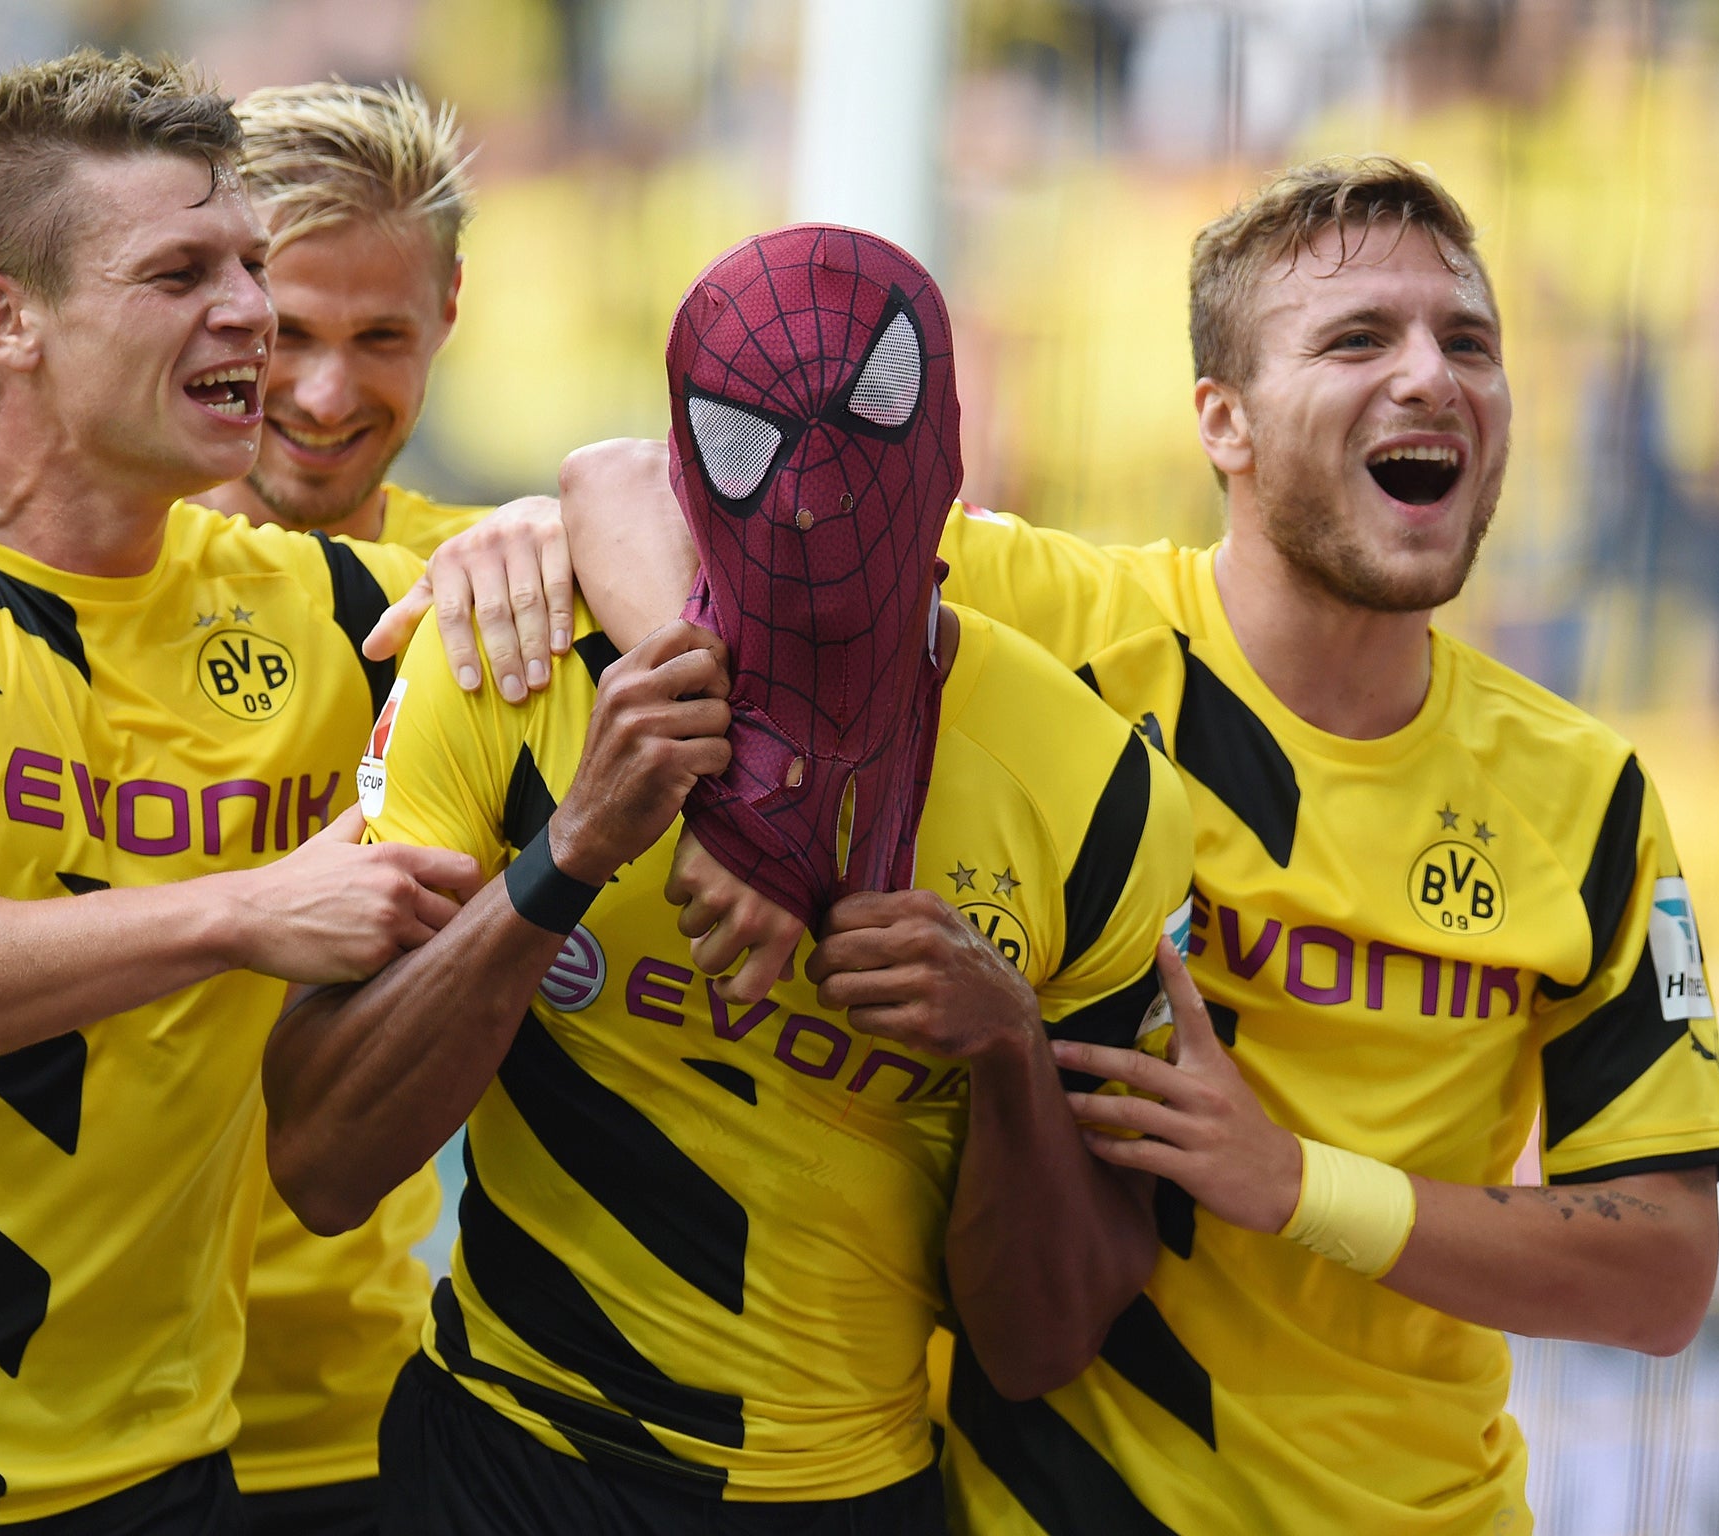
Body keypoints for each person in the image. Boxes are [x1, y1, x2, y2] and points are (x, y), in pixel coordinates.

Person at [559, 157, 1719, 1533]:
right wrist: (739, 799)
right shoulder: (1048, 626)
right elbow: (633, 481)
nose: (1432, 376)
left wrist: (1300, 1187)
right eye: (1360, 337)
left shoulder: (1586, 794)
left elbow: (1662, 1275)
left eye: (1467, 341)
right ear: (1224, 423)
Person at [263, 223, 1196, 1534]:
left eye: (861, 427)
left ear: (946, 445)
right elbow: (320, 1163)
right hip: (498, 1458)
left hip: (842, 1495)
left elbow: (1042, 1346)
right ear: (696, 458)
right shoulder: (515, 664)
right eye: (752, 445)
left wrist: (1007, 1053)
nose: (812, 496)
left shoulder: (1099, 791)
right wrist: (569, 855)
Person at [0, 79, 562, 1535]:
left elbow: (728, 566)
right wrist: (247, 910)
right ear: (8, 318)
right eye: (194, 278)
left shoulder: (355, 607)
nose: (261, 328)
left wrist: (574, 515)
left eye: (255, 271)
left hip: (202, 1456)